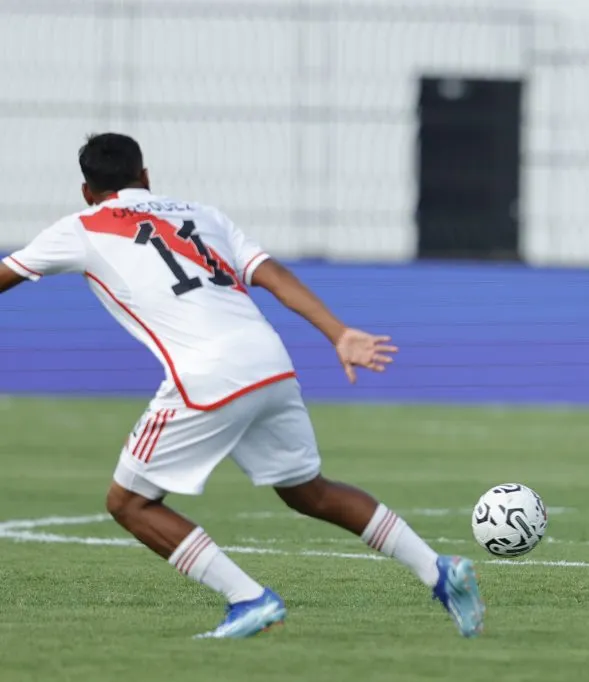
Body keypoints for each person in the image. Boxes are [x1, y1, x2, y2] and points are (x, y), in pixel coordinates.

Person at [0, 133, 485, 639]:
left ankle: (249, 599)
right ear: (146, 176)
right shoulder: (203, 214)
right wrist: (338, 333)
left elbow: (7, 274)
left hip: (207, 375)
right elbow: (270, 273)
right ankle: (438, 570)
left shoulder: (80, 226)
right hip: (270, 360)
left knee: (129, 503)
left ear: (86, 191)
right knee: (308, 491)